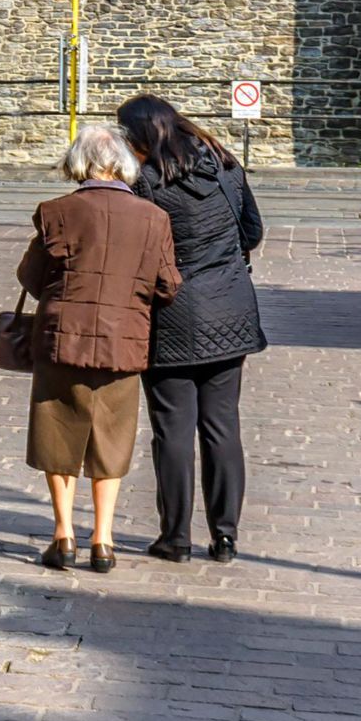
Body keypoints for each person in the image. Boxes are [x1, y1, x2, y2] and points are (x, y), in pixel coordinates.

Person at [19, 126, 179, 572]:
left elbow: (30, 277)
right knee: (112, 439)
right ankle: (103, 540)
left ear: (80, 163)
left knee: (57, 434)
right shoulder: (154, 218)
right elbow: (168, 285)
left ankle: (63, 535)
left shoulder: (56, 211)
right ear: (121, 165)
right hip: (122, 343)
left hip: (62, 339)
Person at [119, 92, 267, 560]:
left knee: (173, 429)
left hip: (172, 315)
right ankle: (225, 536)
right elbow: (252, 232)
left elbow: (139, 253)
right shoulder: (225, 166)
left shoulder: (146, 182)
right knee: (222, 426)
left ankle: (175, 537)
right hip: (231, 310)